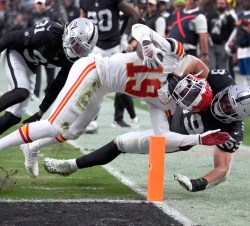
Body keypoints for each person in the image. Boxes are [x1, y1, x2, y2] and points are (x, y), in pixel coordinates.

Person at [5, 23, 227, 178]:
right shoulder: (176, 56)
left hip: (102, 89)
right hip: (94, 70)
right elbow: (140, 30)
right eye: (189, 87)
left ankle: (31, 149)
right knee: (55, 125)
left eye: (186, 97)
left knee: (71, 133)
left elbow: (163, 137)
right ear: (193, 78)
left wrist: (198, 139)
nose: (183, 90)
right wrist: (147, 46)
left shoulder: (166, 103)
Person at [43, 68, 250, 193]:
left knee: (121, 142)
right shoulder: (223, 81)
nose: (221, 105)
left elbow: (222, 171)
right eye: (224, 100)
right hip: (172, 105)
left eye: (227, 109)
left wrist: (197, 183)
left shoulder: (232, 130)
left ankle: (70, 166)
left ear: (235, 116)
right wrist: (176, 75)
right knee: (143, 80)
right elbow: (195, 63)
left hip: (172, 135)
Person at [0, 17, 97, 135]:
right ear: (69, 33)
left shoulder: (73, 60)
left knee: (15, 116)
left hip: (30, 65)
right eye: (76, 44)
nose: (77, 50)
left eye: (82, 49)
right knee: (22, 91)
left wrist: (40, 113)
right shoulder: (48, 34)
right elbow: (10, 37)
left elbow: (58, 83)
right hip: (15, 53)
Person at [80, 0, 140, 133]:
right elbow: (81, 20)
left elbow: (134, 15)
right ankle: (92, 122)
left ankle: (134, 119)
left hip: (114, 46)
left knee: (121, 87)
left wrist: (124, 36)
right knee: (93, 84)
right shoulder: (85, 2)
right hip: (96, 47)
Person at [168, 0, 209, 65]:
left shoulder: (200, 16)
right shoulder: (178, 14)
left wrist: (204, 54)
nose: (192, 1)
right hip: (172, 51)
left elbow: (203, 36)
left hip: (188, 52)